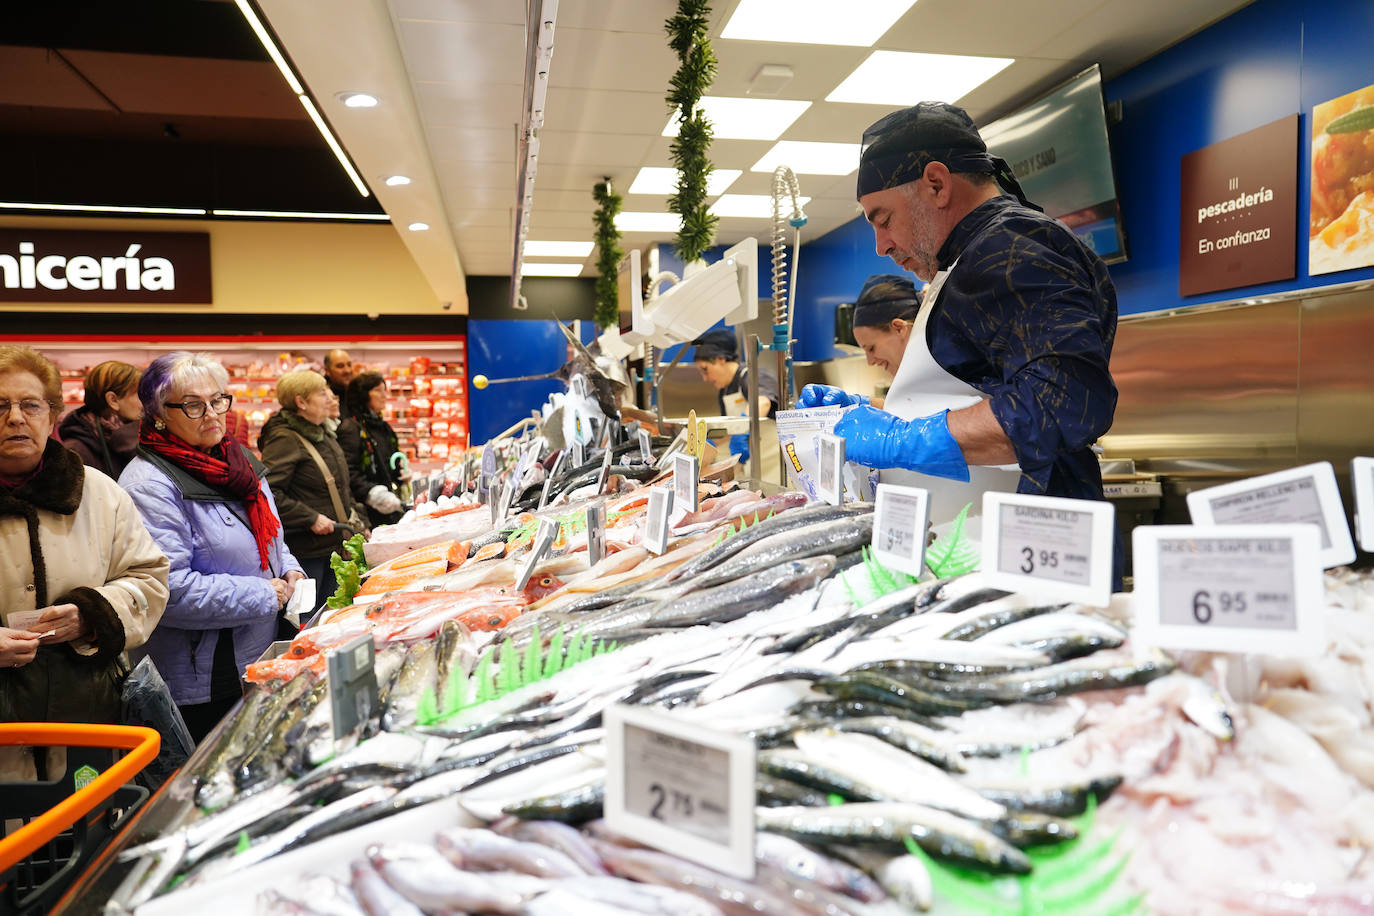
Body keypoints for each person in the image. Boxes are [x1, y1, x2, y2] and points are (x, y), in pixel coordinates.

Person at [807, 101, 1117, 533]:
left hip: (1026, 540)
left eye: (885, 219)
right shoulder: (964, 258)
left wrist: (899, 440)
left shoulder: (1011, 245)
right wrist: (882, 413)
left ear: (936, 184)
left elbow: (1058, 405)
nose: (880, 245)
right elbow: (975, 392)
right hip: (969, 540)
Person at [0, 346, 169, 780]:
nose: (16, 418)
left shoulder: (98, 492)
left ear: (52, 414)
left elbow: (148, 577)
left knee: (84, 836)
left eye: (30, 405)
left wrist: (93, 614)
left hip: (88, 719)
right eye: (0, 406)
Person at [121, 352, 303, 741]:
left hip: (257, 655)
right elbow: (166, 591)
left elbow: (268, 537)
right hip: (203, 678)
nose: (212, 413)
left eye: (218, 399)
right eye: (192, 405)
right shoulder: (149, 485)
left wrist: (290, 568)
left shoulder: (239, 463)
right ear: (158, 414)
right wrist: (264, 593)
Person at [258, 369, 360, 604]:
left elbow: (341, 486)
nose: (330, 397)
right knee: (311, 620)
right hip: (307, 554)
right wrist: (310, 517)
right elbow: (269, 492)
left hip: (331, 547)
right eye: (321, 392)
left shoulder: (323, 433)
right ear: (301, 402)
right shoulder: (284, 438)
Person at [808, 274, 924, 410]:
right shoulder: (913, 375)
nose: (870, 362)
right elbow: (906, 409)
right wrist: (855, 404)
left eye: (871, 348)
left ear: (899, 328)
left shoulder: (942, 367)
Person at [691, 328, 779, 463]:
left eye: (705, 370)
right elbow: (729, 431)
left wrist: (742, 431)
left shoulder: (751, 376)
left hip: (775, 462)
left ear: (721, 359)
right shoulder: (724, 390)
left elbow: (763, 402)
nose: (705, 378)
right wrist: (708, 444)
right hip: (753, 463)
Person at [337, 372, 405, 527]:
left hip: (389, 511)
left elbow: (391, 461)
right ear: (363, 395)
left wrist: (401, 474)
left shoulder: (383, 426)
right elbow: (348, 472)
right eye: (378, 390)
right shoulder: (351, 428)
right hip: (367, 514)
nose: (384, 395)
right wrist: (372, 493)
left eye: (384, 390)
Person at [56, 360, 143, 480]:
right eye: (138, 394)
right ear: (113, 400)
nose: (144, 402)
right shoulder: (76, 451)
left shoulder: (134, 436)